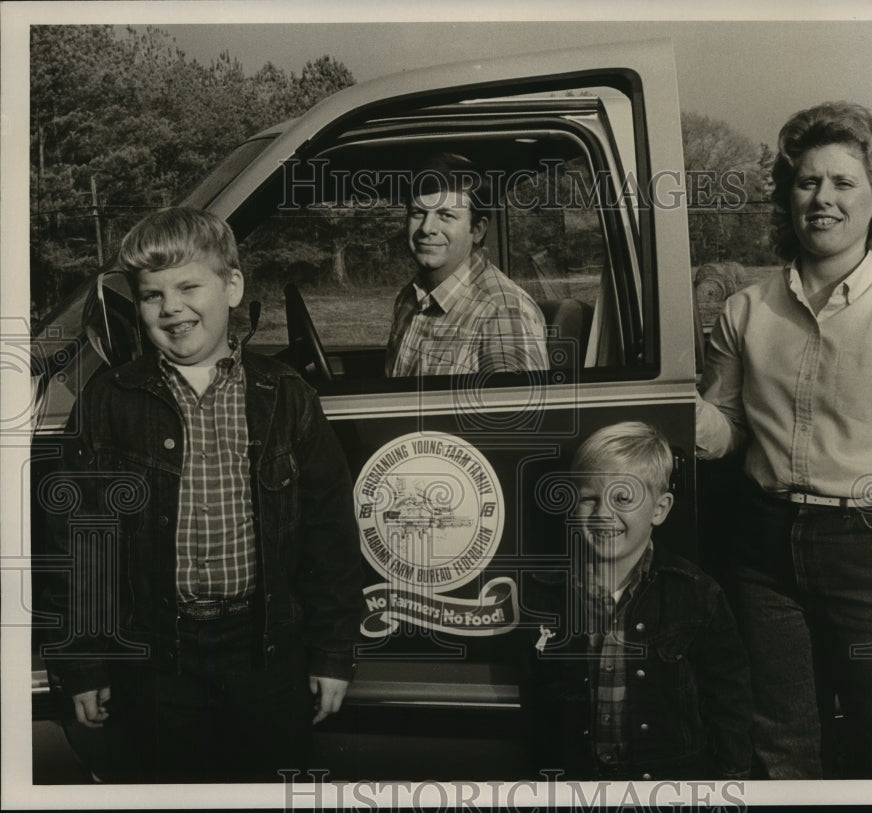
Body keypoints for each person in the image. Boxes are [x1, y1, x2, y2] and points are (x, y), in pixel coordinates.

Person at [696, 101, 872, 778]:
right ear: (786, 197)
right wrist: (675, 411)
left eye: (843, 183)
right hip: (762, 553)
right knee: (778, 749)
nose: (822, 198)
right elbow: (728, 428)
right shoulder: (746, 310)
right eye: (806, 182)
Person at [44, 207, 363, 782]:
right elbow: (80, 549)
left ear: (232, 286)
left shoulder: (285, 396)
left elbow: (330, 539)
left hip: (264, 653)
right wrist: (84, 663)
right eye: (151, 295)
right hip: (156, 658)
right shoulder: (107, 404)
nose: (171, 309)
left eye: (190, 286)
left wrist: (333, 652)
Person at [522, 421, 753, 780]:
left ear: (659, 509)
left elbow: (729, 701)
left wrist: (730, 781)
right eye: (589, 498)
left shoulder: (696, 594)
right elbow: (537, 706)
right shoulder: (546, 593)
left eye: (623, 498)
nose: (602, 514)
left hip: (667, 787)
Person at [384, 151, 549, 376]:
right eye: (418, 213)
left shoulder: (502, 312)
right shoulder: (408, 298)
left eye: (446, 216)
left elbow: (515, 410)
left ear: (478, 229)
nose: (426, 228)